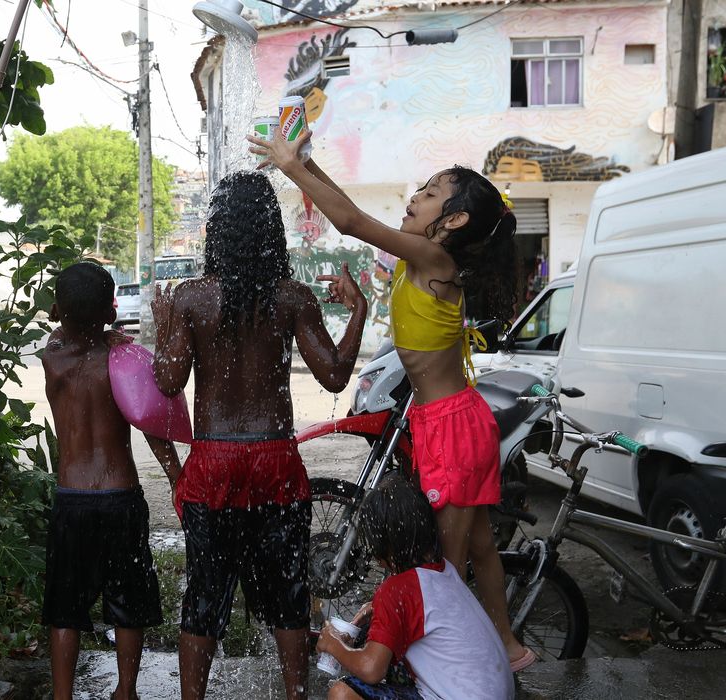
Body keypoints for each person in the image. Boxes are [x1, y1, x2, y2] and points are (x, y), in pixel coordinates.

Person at [248, 128, 533, 670]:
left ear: (453, 222)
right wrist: (307, 163)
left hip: (450, 425)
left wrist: (289, 168)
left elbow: (352, 223)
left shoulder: (434, 260)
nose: (416, 196)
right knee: (478, 546)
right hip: (446, 420)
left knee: (442, 566)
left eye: (429, 193)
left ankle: (438, 664)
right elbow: (354, 212)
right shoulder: (422, 258)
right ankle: (509, 646)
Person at [152, 170, 368, 700]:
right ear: (272, 229)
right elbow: (337, 375)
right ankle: (296, 695)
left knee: (204, 595)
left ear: (216, 231)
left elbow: (167, 381)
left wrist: (162, 325)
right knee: (289, 592)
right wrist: (359, 309)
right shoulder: (292, 297)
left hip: (214, 461)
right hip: (275, 458)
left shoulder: (191, 298)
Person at [41, 261, 183, 700]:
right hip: (121, 495)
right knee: (128, 603)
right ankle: (126, 690)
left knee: (65, 610)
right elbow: (153, 424)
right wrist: (179, 479)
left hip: (73, 497)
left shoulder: (52, 358)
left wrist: (68, 316)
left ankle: (62, 695)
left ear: (58, 311)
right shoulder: (122, 360)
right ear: (111, 312)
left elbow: (64, 329)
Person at [317, 475, 513, 700]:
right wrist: (375, 612)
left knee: (342, 694)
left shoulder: (397, 590)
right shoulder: (442, 570)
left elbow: (371, 669)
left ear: (383, 546)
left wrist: (334, 645)